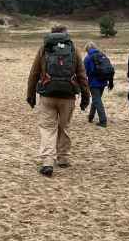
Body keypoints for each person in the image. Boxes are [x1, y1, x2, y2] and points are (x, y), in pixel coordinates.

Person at [26, 25, 90, 177]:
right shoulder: (73, 49)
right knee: (64, 126)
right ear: (65, 34)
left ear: (51, 34)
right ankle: (63, 158)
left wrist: (30, 95)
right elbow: (82, 75)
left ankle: (48, 161)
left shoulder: (44, 48)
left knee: (48, 128)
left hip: (47, 95)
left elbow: (34, 73)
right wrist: (85, 97)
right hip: (68, 96)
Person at [83, 42, 115, 127]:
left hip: (94, 82)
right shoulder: (102, 55)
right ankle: (91, 116)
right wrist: (110, 82)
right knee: (96, 99)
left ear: (87, 49)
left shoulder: (88, 58)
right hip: (103, 81)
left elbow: (84, 71)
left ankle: (103, 120)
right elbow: (109, 68)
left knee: (97, 100)